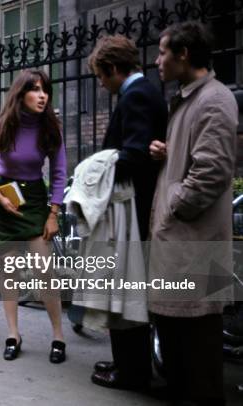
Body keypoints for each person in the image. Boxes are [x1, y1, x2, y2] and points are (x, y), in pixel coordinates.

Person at [149, 21, 238, 405]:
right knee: (178, 357)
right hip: (179, 246)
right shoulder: (190, 99)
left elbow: (213, 172)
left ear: (183, 55)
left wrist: (174, 204)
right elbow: (197, 159)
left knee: (197, 362)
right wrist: (170, 155)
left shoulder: (214, 99)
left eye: (163, 52)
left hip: (195, 247)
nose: (157, 61)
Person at [86, 35, 168, 390]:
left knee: (123, 293)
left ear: (115, 69)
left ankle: (132, 371)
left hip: (129, 209)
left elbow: (134, 154)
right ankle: (128, 365)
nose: (101, 85)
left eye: (102, 77)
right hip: (135, 206)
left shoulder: (135, 95)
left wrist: (95, 168)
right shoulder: (144, 92)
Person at [0, 70, 68, 362]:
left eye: (45, 90)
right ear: (21, 94)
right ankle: (13, 334)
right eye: (36, 90)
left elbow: (58, 173)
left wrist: (53, 213)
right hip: (5, 202)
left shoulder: (50, 128)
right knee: (9, 273)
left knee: (44, 271)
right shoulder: (2, 125)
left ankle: (58, 336)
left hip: (36, 203)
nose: (43, 96)